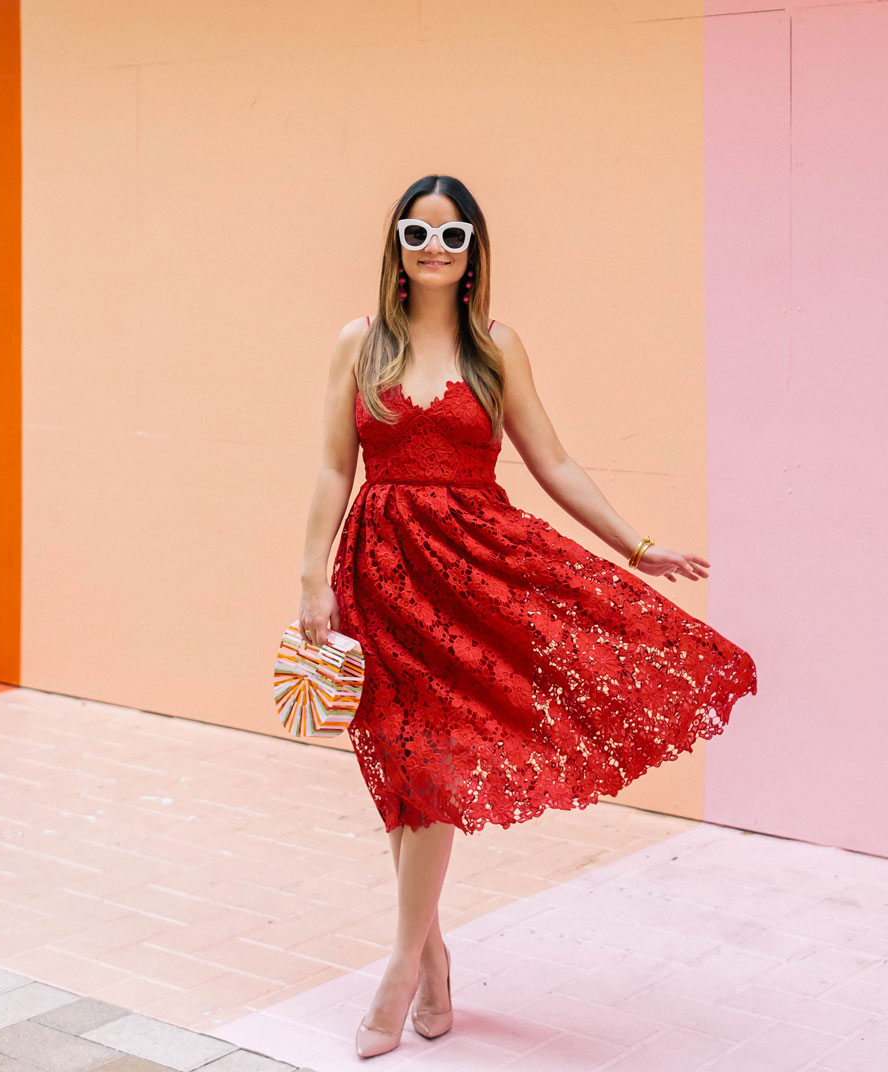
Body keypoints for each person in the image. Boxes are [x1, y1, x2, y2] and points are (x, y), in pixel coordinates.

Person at [296, 174, 758, 1058]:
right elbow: (331, 469)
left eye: (452, 235)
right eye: (417, 232)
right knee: (400, 773)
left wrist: (637, 544)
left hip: (475, 572)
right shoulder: (359, 343)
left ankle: (397, 970)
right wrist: (309, 577)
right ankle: (430, 961)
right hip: (379, 574)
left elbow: (554, 458)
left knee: (432, 768)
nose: (434, 248)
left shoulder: (495, 347)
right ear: (395, 244)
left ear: (474, 251)